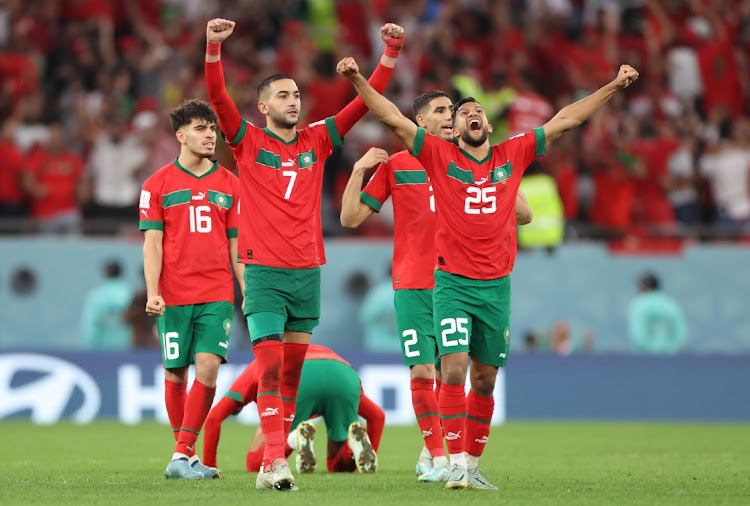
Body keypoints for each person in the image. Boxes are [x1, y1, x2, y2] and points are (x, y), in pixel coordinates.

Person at [338, 56, 639, 490]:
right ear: (453, 133)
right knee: (451, 367)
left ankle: (470, 463)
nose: (470, 114)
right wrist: (358, 79)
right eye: (460, 113)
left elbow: (567, 119)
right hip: (450, 284)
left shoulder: (512, 155)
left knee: (484, 378)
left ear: (489, 125)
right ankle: (449, 460)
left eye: (476, 110)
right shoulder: (437, 157)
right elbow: (390, 116)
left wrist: (612, 85)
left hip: (497, 287)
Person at [204, 17, 404, 491]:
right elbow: (218, 99)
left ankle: (276, 454)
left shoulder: (317, 139)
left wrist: (390, 54)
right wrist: (213, 48)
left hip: (307, 271)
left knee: (290, 374)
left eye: (296, 95)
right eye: (283, 96)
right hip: (264, 271)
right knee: (269, 367)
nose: (292, 101)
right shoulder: (248, 140)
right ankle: (275, 461)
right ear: (263, 105)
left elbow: (362, 106)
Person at [340, 90, 532, 483]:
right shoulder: (398, 164)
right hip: (412, 282)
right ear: (420, 122)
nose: (449, 117)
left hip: (459, 281)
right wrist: (359, 170)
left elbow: (524, 215)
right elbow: (351, 218)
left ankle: (451, 457)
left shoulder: (471, 163)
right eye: (440, 111)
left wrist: (498, 176)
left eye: (451, 111)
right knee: (423, 371)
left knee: (454, 375)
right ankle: (435, 457)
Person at [139, 99, 244, 480]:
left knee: (209, 367)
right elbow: (153, 243)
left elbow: (236, 246)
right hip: (173, 295)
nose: (210, 135)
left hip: (217, 292)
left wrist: (247, 289)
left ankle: (180, 454)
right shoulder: (156, 185)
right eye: (201, 129)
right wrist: (153, 291)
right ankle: (187, 456)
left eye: (212, 129)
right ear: (180, 136)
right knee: (175, 375)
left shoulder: (230, 185)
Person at [203, 344, 385, 478]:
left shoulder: (257, 366)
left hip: (299, 374)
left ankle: (293, 438)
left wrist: (210, 465)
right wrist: (372, 453)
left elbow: (214, 417)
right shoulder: (299, 344)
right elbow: (377, 416)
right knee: (336, 466)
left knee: (254, 463)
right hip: (343, 371)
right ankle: (355, 448)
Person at [628, 272, 688, 354]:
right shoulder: (671, 303)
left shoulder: (639, 304)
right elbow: (680, 333)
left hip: (645, 357)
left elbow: (638, 334)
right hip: (671, 355)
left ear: (643, 286)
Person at [80, 260, 133, 351]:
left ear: (105, 273)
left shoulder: (97, 295)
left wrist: (88, 346)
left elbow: (90, 323)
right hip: (127, 347)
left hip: (101, 348)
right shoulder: (130, 293)